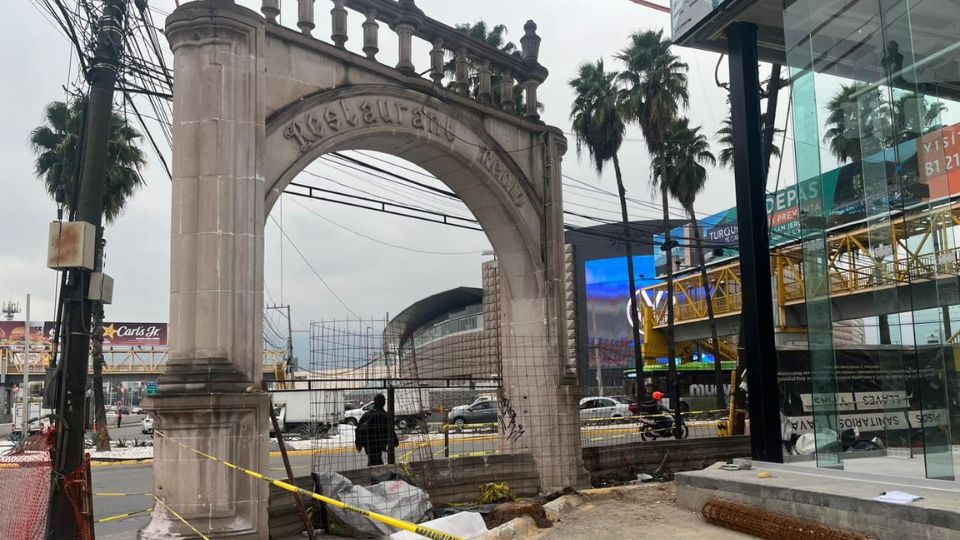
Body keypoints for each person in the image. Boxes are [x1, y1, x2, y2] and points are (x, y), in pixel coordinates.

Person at [355, 394, 398, 466]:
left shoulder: (367, 415)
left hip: (368, 443)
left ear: (374, 402)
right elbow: (390, 430)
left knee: (373, 461)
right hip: (380, 443)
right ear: (384, 403)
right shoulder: (385, 415)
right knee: (376, 461)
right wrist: (395, 441)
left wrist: (358, 444)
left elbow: (359, 429)